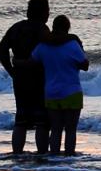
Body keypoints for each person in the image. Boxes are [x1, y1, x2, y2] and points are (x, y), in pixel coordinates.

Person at [0, 0, 51, 154]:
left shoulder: (16, 28)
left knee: (21, 119)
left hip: (20, 79)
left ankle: (17, 154)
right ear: (41, 12)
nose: (48, 13)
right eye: (47, 10)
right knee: (42, 121)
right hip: (39, 78)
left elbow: (2, 49)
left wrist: (11, 70)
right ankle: (42, 154)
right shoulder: (42, 29)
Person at [31, 15, 89, 155]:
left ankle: (54, 158)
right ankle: (68, 158)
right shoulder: (72, 44)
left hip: (51, 92)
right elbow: (85, 65)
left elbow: (33, 61)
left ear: (53, 27)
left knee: (56, 129)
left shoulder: (43, 45)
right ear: (67, 28)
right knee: (70, 129)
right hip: (71, 91)